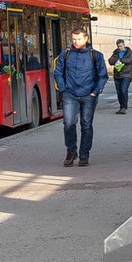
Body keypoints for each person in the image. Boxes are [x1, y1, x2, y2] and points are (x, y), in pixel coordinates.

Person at [52, 27, 107, 167]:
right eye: (73, 39)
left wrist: (95, 92)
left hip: (89, 95)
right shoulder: (66, 54)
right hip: (70, 94)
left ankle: (84, 155)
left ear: (86, 39)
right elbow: (57, 72)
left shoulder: (96, 55)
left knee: (86, 125)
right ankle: (71, 151)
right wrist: (63, 89)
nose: (76, 42)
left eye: (79, 39)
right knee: (68, 123)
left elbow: (102, 75)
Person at [107, 39, 132, 114]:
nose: (119, 48)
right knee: (119, 92)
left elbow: (129, 60)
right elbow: (110, 61)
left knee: (123, 90)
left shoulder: (129, 52)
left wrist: (120, 60)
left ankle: (124, 107)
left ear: (124, 45)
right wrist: (116, 59)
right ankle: (121, 107)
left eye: (121, 46)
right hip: (117, 75)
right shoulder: (115, 53)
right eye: (118, 46)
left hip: (126, 74)